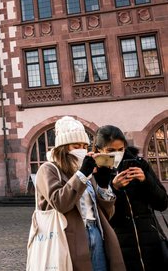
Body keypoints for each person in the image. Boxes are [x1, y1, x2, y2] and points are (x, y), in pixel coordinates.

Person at [35, 116, 125, 271]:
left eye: (85, 145)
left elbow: (107, 214)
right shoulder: (49, 169)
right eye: (76, 145)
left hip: (97, 232)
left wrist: (103, 186)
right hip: (68, 236)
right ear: (63, 148)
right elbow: (60, 203)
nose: (82, 149)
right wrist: (82, 174)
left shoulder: (88, 170)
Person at [95, 125, 168, 270]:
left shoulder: (138, 164)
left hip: (150, 240)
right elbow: (101, 215)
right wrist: (114, 188)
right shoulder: (95, 171)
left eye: (120, 149)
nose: (117, 154)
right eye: (110, 151)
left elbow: (162, 203)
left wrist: (146, 180)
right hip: (118, 243)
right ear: (99, 150)